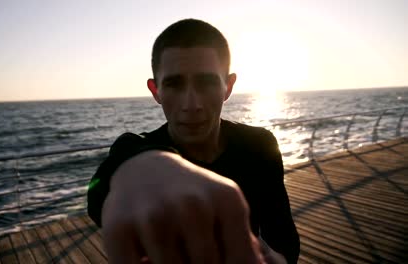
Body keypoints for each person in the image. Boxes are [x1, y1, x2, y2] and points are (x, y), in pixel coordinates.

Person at [87, 18, 300, 264]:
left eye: (206, 83)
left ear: (228, 87)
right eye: (174, 85)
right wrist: (138, 168)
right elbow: (101, 190)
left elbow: (283, 233)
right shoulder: (134, 149)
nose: (192, 104)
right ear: (156, 91)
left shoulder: (260, 145)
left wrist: (276, 259)